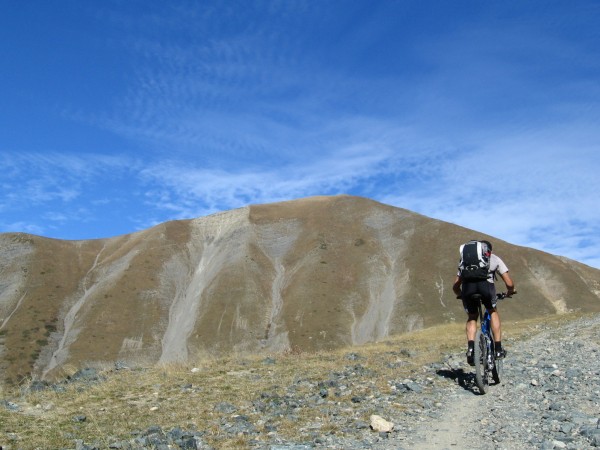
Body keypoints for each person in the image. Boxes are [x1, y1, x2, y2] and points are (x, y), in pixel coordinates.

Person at [452, 240, 515, 365]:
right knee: (492, 311)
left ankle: (471, 349)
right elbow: (509, 283)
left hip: (467, 289)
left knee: (472, 317)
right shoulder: (494, 258)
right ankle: (497, 349)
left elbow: (455, 286)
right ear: (488, 250)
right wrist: (510, 292)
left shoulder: (465, 261)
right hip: (486, 288)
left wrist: (461, 295)